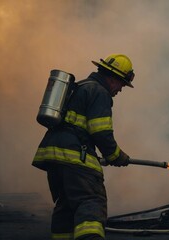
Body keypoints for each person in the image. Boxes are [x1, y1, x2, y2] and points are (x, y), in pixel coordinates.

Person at [33, 54, 135, 240]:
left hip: (54, 154)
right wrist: (116, 156)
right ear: (113, 78)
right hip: (74, 155)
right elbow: (101, 132)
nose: (120, 90)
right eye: (122, 84)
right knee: (91, 201)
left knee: (66, 206)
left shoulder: (80, 87)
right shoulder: (99, 92)